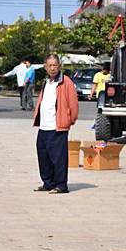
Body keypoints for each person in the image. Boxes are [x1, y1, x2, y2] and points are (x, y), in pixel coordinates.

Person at [32, 54, 79, 194]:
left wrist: (69, 120)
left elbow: (73, 104)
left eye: (55, 65)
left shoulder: (66, 82)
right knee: (43, 157)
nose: (52, 68)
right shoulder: (47, 82)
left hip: (57, 127)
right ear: (45, 67)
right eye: (49, 65)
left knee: (58, 158)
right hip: (44, 127)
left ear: (59, 66)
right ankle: (48, 183)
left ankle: (61, 185)